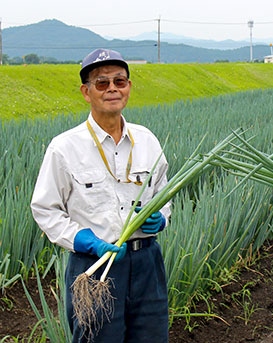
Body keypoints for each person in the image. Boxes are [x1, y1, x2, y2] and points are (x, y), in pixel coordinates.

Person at [31, 48, 171, 342]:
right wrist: (79, 239)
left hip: (147, 263)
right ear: (86, 92)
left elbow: (164, 194)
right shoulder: (65, 147)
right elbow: (45, 209)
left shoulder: (147, 140)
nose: (112, 89)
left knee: (153, 337)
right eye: (102, 83)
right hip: (94, 267)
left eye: (119, 81)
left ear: (128, 87)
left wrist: (160, 219)